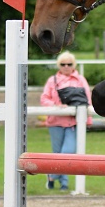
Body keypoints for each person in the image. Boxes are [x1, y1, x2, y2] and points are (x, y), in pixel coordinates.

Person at [39, 51, 93, 192]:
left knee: (67, 152)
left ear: (73, 65)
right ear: (59, 65)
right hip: (55, 121)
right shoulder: (52, 80)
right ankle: (64, 184)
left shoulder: (81, 80)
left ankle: (51, 175)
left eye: (69, 64)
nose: (66, 67)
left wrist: (87, 120)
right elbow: (44, 99)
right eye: (63, 64)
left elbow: (87, 100)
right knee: (57, 153)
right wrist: (56, 106)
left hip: (73, 122)